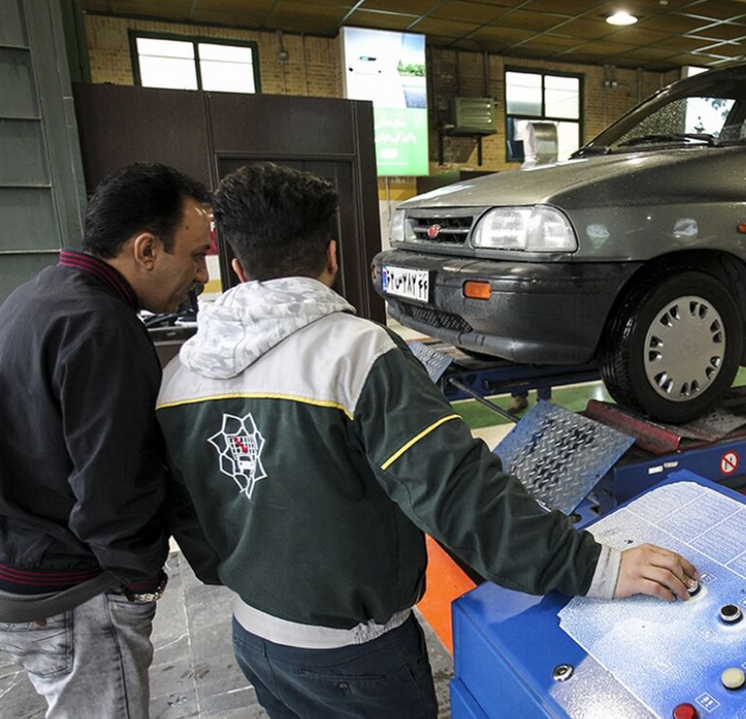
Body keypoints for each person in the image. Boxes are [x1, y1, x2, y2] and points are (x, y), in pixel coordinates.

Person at [155, 163, 699, 719]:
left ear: (239, 269)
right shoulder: (357, 355)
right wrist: (596, 568)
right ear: (333, 256)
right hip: (356, 660)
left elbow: (187, 514)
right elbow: (460, 495)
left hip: (255, 640)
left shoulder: (179, 376)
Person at [0, 162, 213, 717]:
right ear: (146, 250)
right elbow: (114, 488)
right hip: (68, 595)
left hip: (11, 569)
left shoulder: (37, 295)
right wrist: (139, 581)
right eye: (196, 254)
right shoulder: (102, 326)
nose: (202, 274)